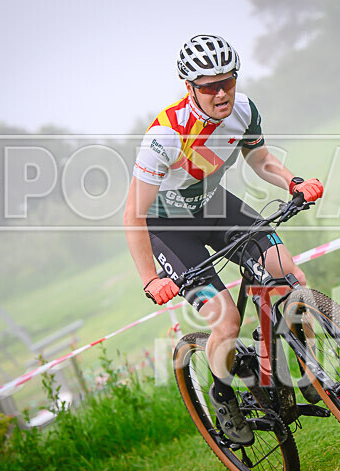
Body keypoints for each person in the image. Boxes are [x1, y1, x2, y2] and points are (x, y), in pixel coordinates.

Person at [123, 34, 323, 445]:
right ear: (190, 88)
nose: (220, 93)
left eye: (227, 81)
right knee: (227, 319)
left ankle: (308, 372)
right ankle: (223, 396)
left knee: (288, 275)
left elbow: (261, 160)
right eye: (209, 86)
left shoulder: (244, 110)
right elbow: (133, 216)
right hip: (169, 229)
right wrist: (150, 280)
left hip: (215, 206)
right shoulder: (164, 137)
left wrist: (294, 182)